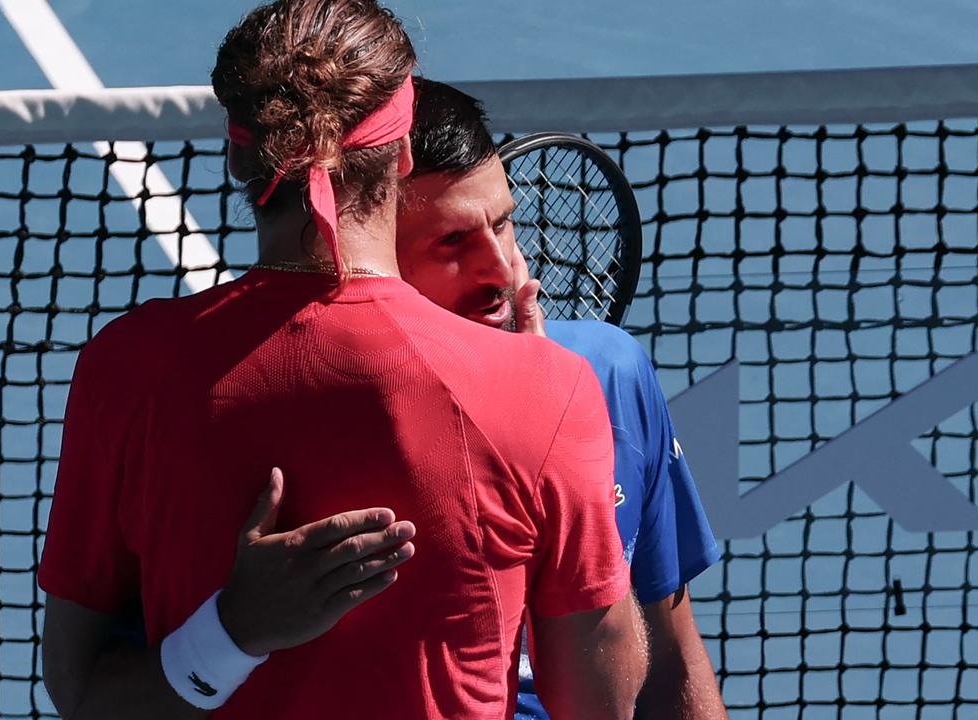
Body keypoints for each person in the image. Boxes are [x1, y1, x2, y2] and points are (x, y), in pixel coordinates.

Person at [37, 2, 643, 719]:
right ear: (406, 153)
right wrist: (574, 459)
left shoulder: (126, 368)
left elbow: (84, 695)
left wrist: (231, 636)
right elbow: (601, 704)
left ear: (239, 156)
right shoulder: (547, 389)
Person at [396, 78, 728, 719]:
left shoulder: (610, 372)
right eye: (452, 244)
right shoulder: (338, 413)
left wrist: (559, 425)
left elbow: (671, 658)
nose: (502, 270)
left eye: (503, 224)